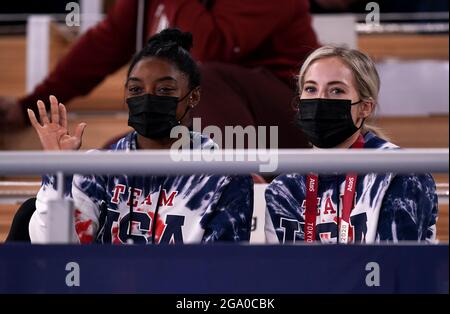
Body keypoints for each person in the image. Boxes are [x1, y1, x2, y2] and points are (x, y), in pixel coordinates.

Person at [27, 29, 254, 244]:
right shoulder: (98, 170)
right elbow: (55, 251)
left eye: (164, 90)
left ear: (193, 96)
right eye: (136, 90)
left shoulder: (225, 176)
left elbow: (221, 271)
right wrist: (56, 174)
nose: (148, 98)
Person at [0, 0, 319, 149]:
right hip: (202, 128)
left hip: (282, 129)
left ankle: (238, 195)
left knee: (203, 78)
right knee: (107, 163)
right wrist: (27, 104)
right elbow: (104, 45)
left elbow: (206, 50)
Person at [265, 46, 438, 244]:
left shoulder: (399, 172)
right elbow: (282, 270)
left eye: (336, 90)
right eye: (311, 89)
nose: (320, 99)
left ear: (365, 107)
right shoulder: (284, 188)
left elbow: (396, 268)